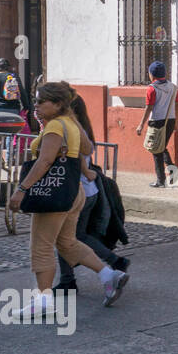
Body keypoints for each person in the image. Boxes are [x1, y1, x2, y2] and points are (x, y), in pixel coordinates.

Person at [8, 82, 129, 317]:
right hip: (74, 192)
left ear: (58, 104)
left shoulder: (55, 126)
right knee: (67, 243)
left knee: (41, 246)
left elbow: (44, 162)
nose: (37, 105)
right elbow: (85, 147)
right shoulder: (71, 124)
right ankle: (109, 275)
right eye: (36, 101)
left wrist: (21, 189)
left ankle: (43, 301)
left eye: (42, 101)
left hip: (54, 194)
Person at [53, 95, 130, 294]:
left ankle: (109, 265)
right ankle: (69, 280)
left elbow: (73, 156)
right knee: (75, 237)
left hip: (77, 190)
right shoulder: (84, 129)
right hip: (89, 190)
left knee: (66, 239)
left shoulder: (68, 129)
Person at [134, 61, 177, 188]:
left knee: (156, 149)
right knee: (162, 147)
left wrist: (141, 124)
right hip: (170, 120)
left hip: (157, 121)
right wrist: (176, 122)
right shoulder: (173, 87)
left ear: (151, 74)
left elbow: (149, 108)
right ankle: (173, 175)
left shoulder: (152, 89)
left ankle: (160, 180)